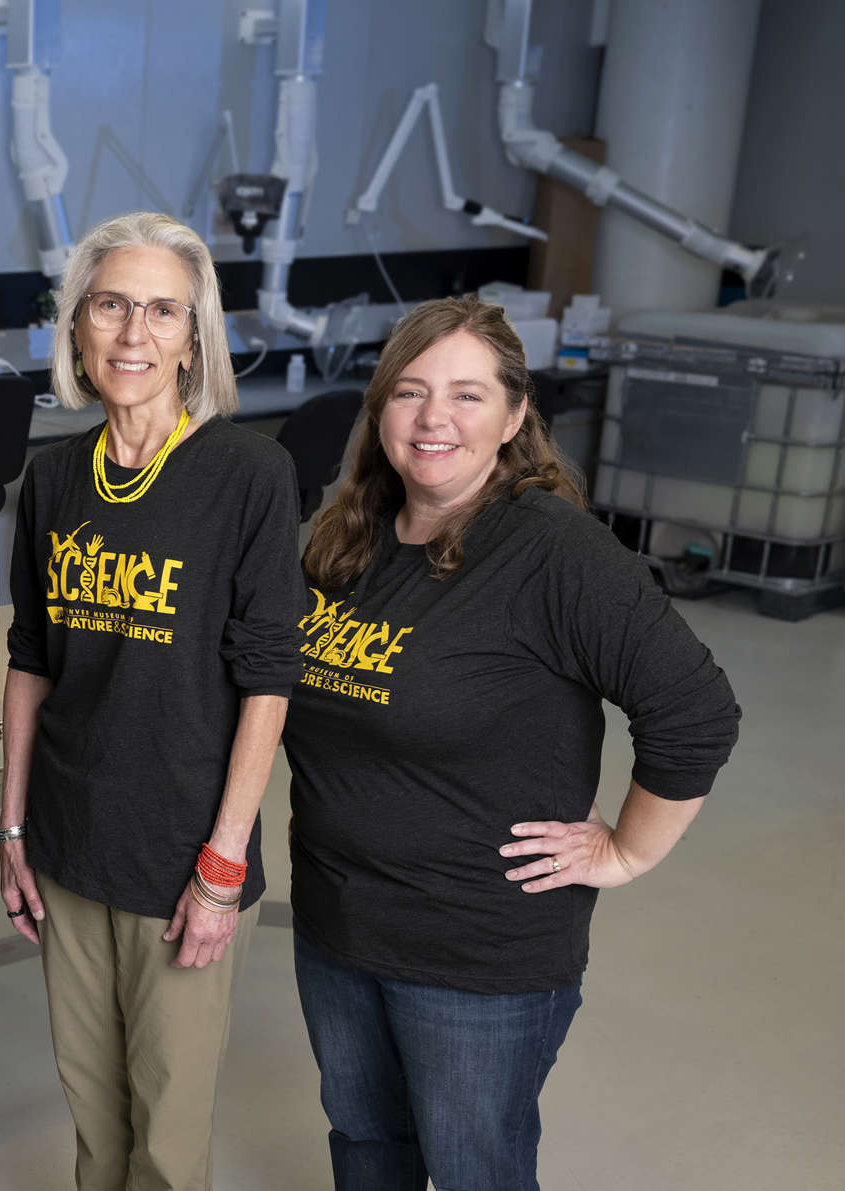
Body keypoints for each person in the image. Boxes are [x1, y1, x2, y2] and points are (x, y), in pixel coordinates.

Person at [284, 295, 741, 1191]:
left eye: (467, 394)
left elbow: (695, 709)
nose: (434, 419)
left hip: (475, 956)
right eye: (410, 393)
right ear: (379, 411)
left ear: (515, 414)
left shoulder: (550, 550)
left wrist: (626, 851)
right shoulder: (346, 540)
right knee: (367, 1146)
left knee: (471, 1171)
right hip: (339, 924)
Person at [0, 211, 305, 1190]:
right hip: (68, 842)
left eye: (163, 310)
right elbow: (32, 661)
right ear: (78, 329)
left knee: (168, 1138)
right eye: (112, 306)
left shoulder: (248, 475)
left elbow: (268, 677)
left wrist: (223, 864)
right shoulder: (53, 481)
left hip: (184, 855)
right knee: (95, 1118)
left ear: (194, 336)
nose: (135, 333)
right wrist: (11, 833)